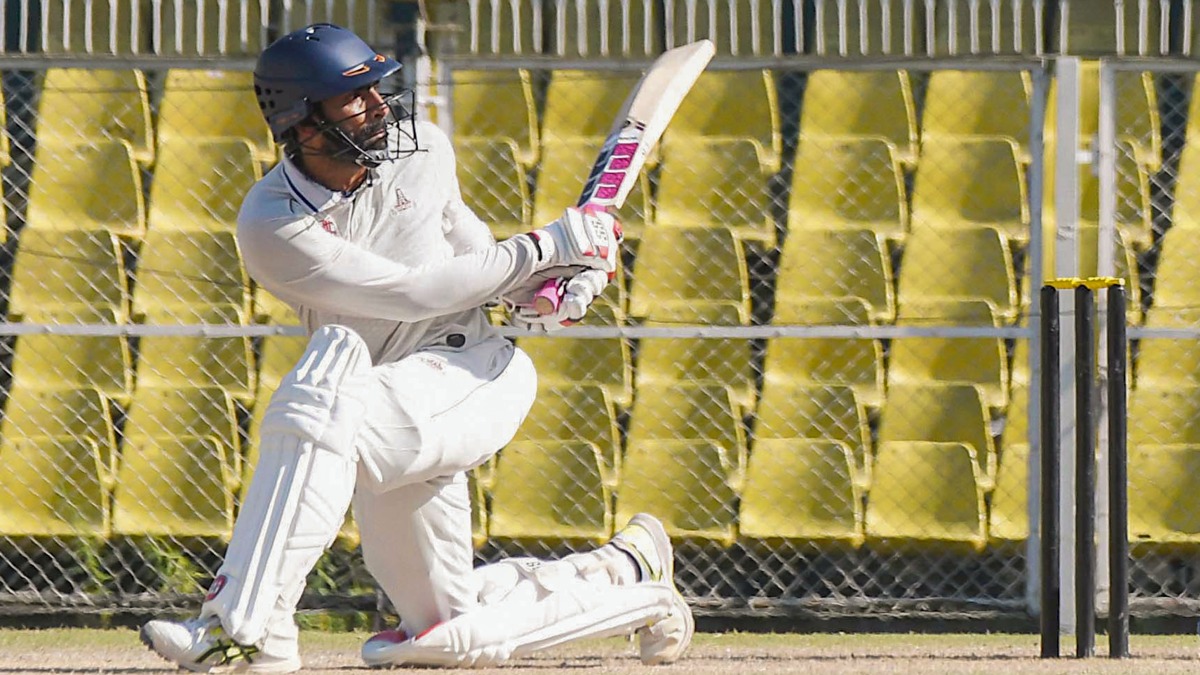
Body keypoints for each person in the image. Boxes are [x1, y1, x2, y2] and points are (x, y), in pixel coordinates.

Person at [138, 23, 693, 673]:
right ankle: (627, 575)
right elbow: (411, 293)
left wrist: (551, 284)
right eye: (356, 96)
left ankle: (240, 629)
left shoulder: (425, 150)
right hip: (386, 401)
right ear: (302, 120)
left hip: (471, 372)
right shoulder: (273, 223)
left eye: (378, 88)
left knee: (319, 392)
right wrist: (547, 248)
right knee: (442, 633)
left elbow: (477, 261)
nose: (380, 105)